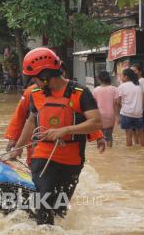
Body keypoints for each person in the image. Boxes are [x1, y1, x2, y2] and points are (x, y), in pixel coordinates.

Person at [10, 47, 102, 225]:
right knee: (44, 202)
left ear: (45, 75)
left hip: (72, 158)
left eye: (35, 78)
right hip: (43, 155)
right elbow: (31, 121)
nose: (34, 83)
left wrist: (66, 130)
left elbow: (97, 122)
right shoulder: (35, 94)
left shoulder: (80, 93)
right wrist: (18, 148)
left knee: (59, 208)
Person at [117, 68, 144, 146]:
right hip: (138, 113)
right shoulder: (139, 86)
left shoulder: (122, 86)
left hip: (126, 113)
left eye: (121, 75)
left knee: (128, 135)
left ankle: (129, 153)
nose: (120, 77)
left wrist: (119, 112)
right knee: (141, 134)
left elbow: (118, 102)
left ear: (126, 76)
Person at [93, 71, 118, 147]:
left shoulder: (96, 90)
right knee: (109, 136)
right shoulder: (114, 89)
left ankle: (102, 153)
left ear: (99, 79)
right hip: (111, 114)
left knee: (99, 136)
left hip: (99, 115)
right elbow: (116, 104)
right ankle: (110, 153)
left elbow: (94, 105)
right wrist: (117, 116)